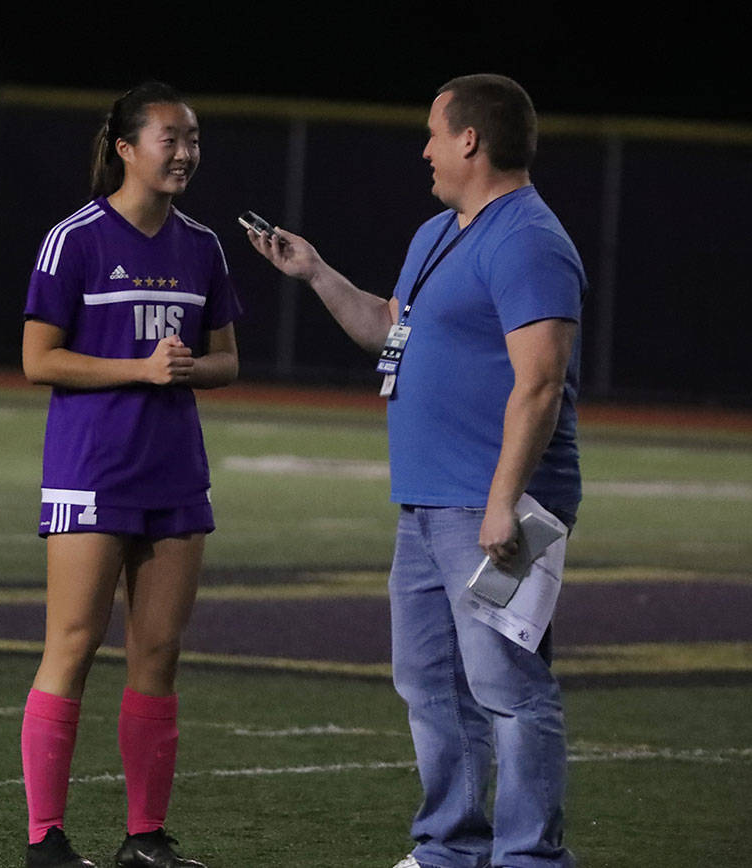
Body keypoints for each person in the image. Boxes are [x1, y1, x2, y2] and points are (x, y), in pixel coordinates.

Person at [247, 74, 584, 868]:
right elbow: (388, 331)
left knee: (508, 686)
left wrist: (504, 502)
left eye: (435, 132)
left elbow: (539, 382)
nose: (425, 148)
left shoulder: (529, 239)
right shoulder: (440, 233)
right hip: (427, 503)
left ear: (471, 139)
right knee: (431, 688)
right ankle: (450, 852)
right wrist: (318, 273)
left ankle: (530, 859)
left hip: (498, 507)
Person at [20, 81, 241, 868]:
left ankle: (144, 837)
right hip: (92, 470)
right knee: (73, 644)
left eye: (193, 140)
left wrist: (186, 369)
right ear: (126, 148)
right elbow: (37, 358)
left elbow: (226, 361)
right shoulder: (74, 239)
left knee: (159, 652)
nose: (186, 153)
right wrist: (140, 369)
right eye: (170, 139)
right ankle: (45, 840)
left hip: (175, 471)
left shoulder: (203, 246)